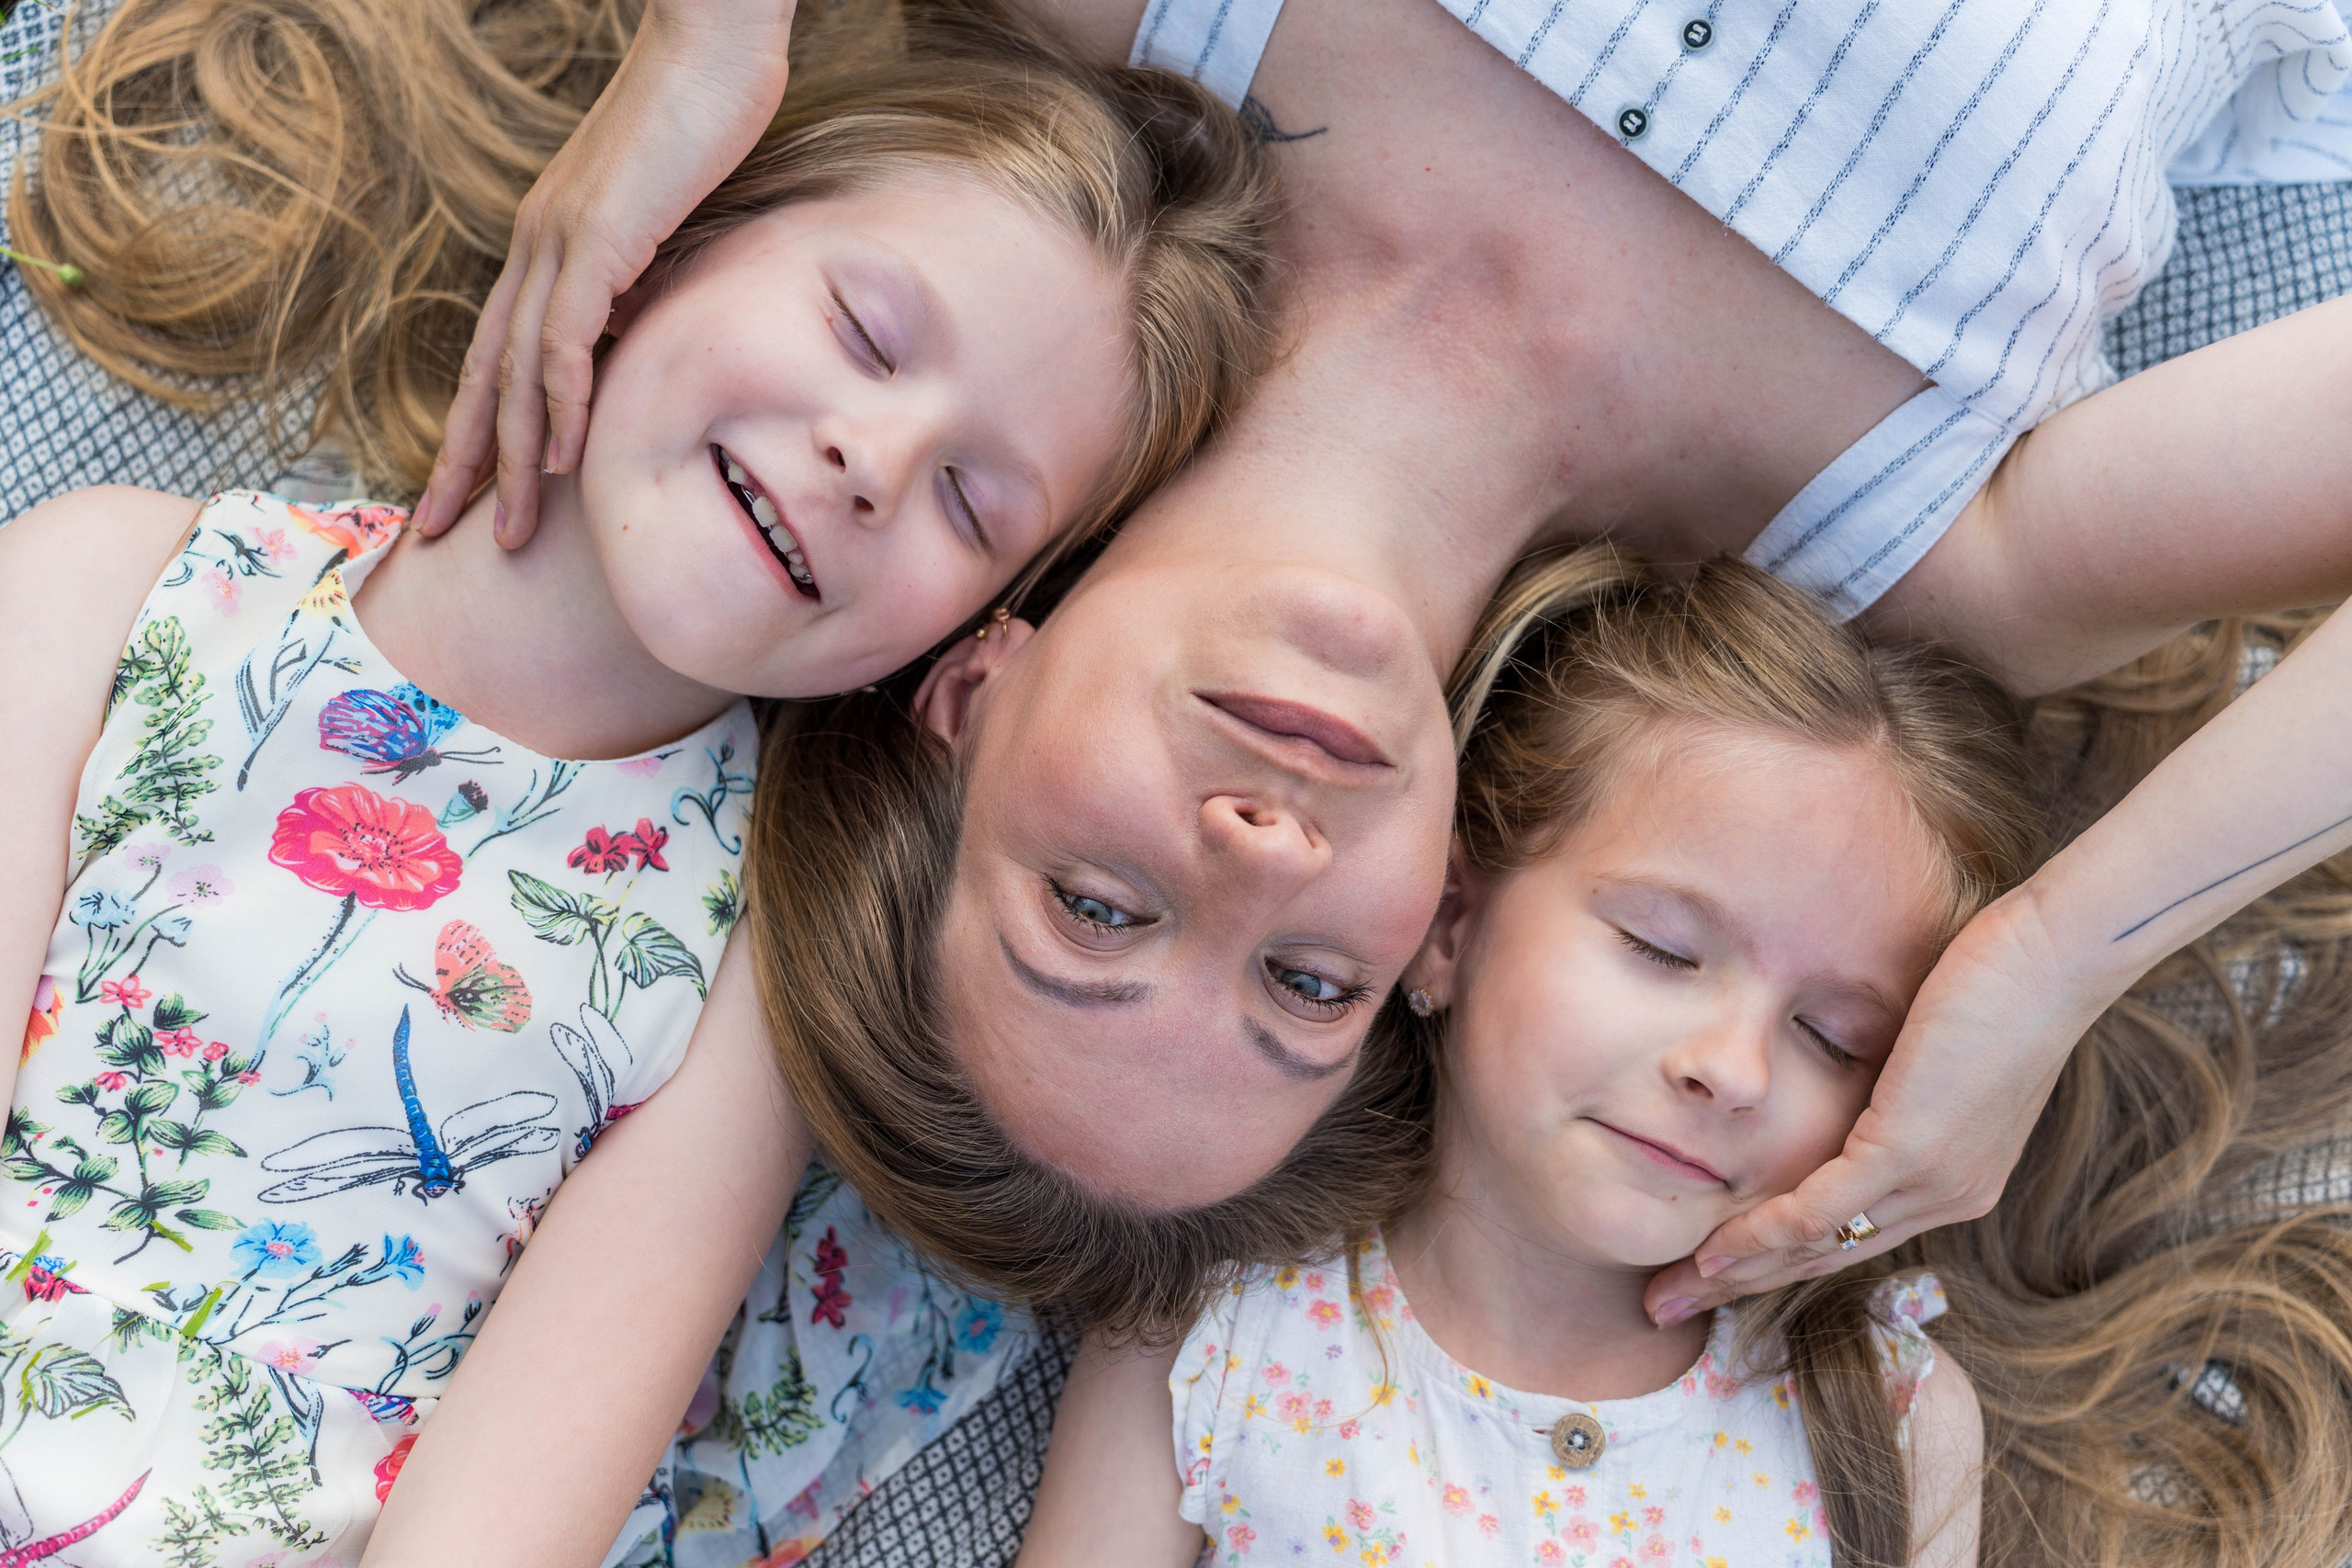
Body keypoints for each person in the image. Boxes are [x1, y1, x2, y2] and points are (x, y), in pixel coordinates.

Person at [447, 0, 2352, 1329]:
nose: (1262, 845)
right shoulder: (1926, 547)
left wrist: (705, 39)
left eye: (1097, 904)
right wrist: (2051, 953)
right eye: (1301, 975)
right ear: (1431, 918)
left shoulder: (1124, 56)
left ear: (966, 692)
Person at [0, 0, 1279, 1557]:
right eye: (867, 334)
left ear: (962, 640)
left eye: (971, 498)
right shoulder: (114, 588)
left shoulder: (740, 972)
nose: (875, 460)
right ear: (670, 227)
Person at [1014, 549, 2352, 1568]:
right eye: (1661, 946)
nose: (1734, 1068)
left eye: (1834, 1036)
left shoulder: (1889, 1417)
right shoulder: (1210, 1329)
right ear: (1447, 927)